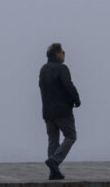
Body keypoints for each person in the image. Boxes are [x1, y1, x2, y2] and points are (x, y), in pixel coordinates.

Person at [39, 42, 80, 180]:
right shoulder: (62, 68)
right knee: (71, 136)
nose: (64, 54)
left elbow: (41, 87)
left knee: (53, 140)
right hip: (62, 111)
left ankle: (53, 172)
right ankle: (55, 161)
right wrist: (76, 99)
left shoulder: (43, 69)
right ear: (57, 54)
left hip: (48, 112)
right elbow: (68, 85)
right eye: (63, 52)